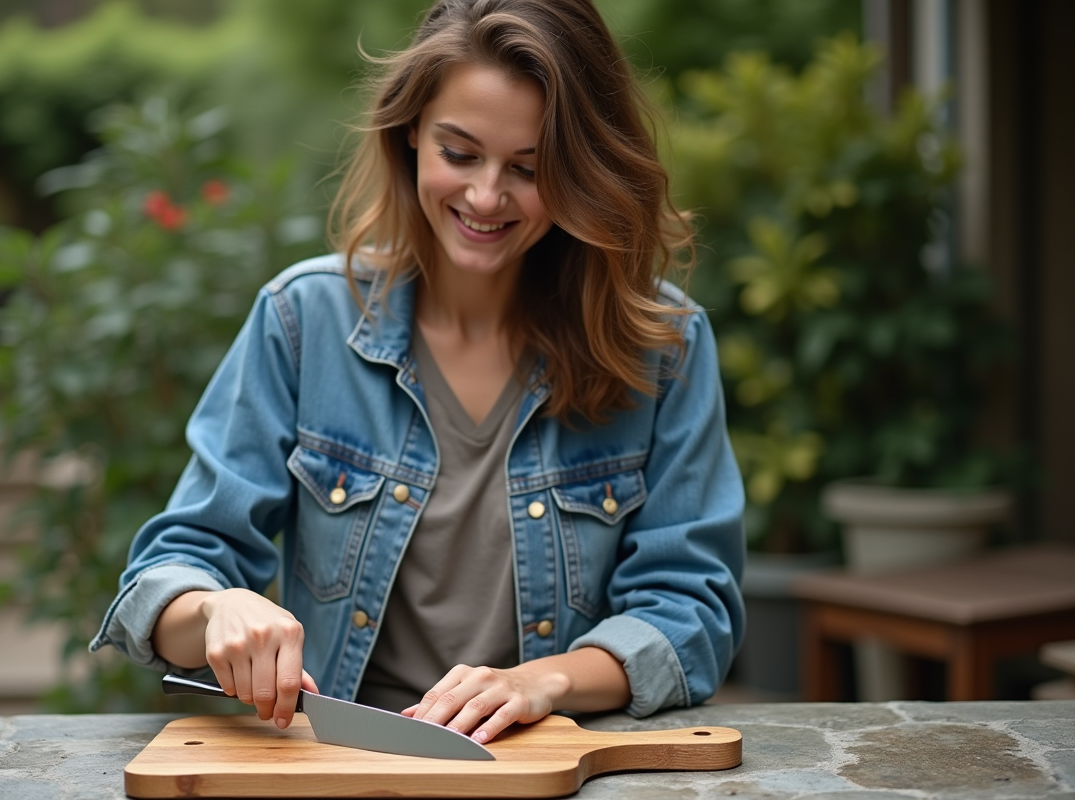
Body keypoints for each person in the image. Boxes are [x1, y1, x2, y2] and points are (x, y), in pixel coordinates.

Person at [91, 0, 745, 745]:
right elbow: (165, 577)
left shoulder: (665, 345)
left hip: (553, 768)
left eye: (530, 169)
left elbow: (693, 613)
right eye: (460, 154)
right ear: (410, 135)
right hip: (346, 763)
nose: (486, 196)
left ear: (581, 171)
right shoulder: (302, 322)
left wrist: (543, 680)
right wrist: (217, 609)